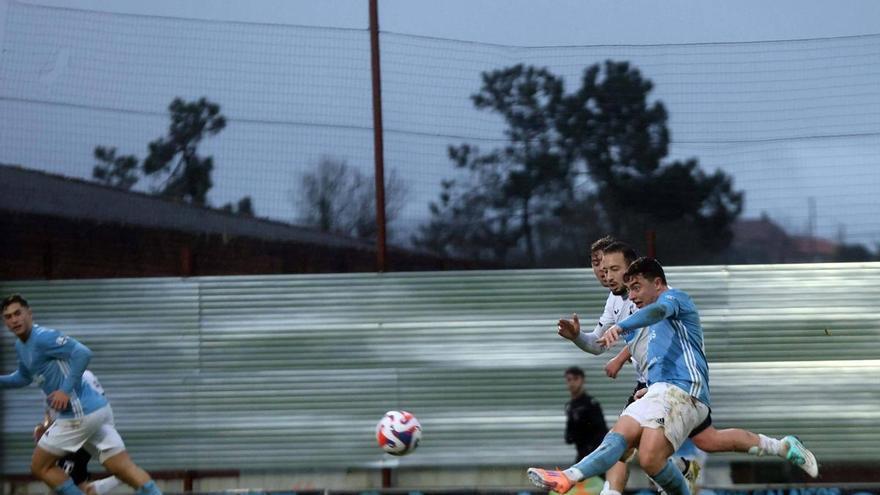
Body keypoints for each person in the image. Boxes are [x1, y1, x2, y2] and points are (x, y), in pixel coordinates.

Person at [530, 258, 715, 495]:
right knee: (624, 438)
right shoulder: (644, 323)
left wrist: (619, 328)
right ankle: (568, 476)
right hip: (659, 392)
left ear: (657, 283)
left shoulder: (674, 298)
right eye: (629, 290)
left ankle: (772, 446)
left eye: (636, 287)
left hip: (687, 392)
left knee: (680, 450)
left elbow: (657, 311)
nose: (632, 295)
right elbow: (605, 344)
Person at [0, 294, 163, 495]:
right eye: (8, 317)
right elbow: (23, 377)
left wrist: (65, 391)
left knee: (39, 466)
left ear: (29, 313)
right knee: (122, 468)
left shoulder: (43, 337)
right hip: (97, 411)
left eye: (18, 313)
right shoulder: (21, 346)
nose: (14, 320)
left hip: (79, 413)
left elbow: (83, 353)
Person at [33, 371, 123, 495]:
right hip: (62, 435)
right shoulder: (46, 379)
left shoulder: (85, 376)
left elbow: (99, 406)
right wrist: (44, 428)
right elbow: (50, 413)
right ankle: (121, 476)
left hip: (79, 433)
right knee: (68, 485)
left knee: (64, 484)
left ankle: (122, 476)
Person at [563, 366, 608, 464]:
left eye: (575, 379)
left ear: (582, 380)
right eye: (569, 380)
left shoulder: (591, 404)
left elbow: (602, 431)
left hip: (594, 457)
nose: (572, 383)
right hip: (581, 455)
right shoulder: (570, 406)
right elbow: (569, 437)